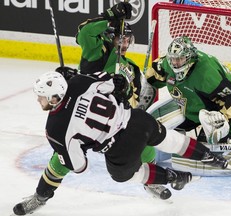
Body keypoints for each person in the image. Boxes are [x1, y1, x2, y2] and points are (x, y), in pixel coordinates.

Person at [12, 71, 231, 215]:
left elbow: (79, 166)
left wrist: (86, 143)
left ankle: (170, 177)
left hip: (119, 148)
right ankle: (211, 157)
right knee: (169, 140)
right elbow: (114, 82)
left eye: (41, 97)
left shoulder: (55, 128)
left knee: (124, 174)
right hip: (137, 120)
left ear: (54, 98)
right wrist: (118, 86)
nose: (38, 101)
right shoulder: (78, 81)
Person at [56, 2, 161, 197]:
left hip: (114, 122)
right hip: (86, 115)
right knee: (64, 152)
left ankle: (151, 181)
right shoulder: (98, 52)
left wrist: (126, 96)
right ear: (109, 38)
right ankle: (43, 193)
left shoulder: (132, 68)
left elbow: (136, 100)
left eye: (127, 40)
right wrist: (110, 17)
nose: (124, 44)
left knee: (144, 143)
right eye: (120, 39)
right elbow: (85, 32)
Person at [145, 36, 231, 145]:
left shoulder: (207, 75)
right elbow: (152, 76)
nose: (175, 63)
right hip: (194, 103)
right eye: (173, 59)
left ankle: (216, 151)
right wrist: (144, 86)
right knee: (162, 132)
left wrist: (224, 128)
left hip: (226, 104)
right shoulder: (168, 63)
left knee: (207, 143)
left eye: (180, 59)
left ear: (190, 58)